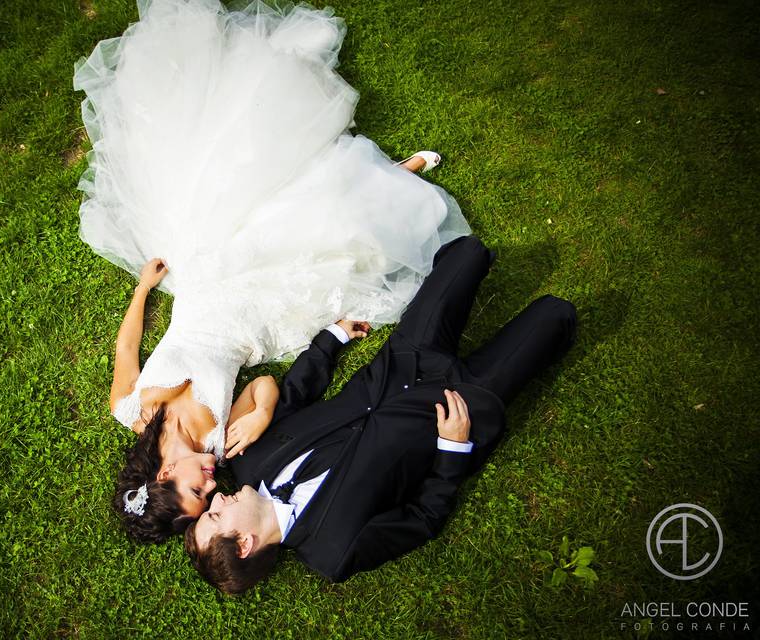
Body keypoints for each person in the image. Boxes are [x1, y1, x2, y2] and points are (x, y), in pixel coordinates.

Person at [73, 0, 471, 542]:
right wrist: (260, 416)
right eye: (208, 503)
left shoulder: (130, 409)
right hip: (258, 318)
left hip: (205, 284)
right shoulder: (221, 448)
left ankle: (376, 171)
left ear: (164, 475)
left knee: (243, 182)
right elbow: (262, 384)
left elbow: (126, 351)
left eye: (196, 492)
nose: (212, 489)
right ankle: (396, 181)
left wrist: (144, 289)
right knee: (331, 244)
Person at [184, 235, 578, 593]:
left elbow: (294, 395)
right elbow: (424, 518)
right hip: (462, 403)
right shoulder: (334, 552)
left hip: (405, 359)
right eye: (217, 517)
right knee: (556, 314)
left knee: (468, 253)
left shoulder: (248, 458)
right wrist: (453, 447)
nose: (217, 500)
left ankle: (467, 272)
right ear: (246, 544)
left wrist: (332, 339)